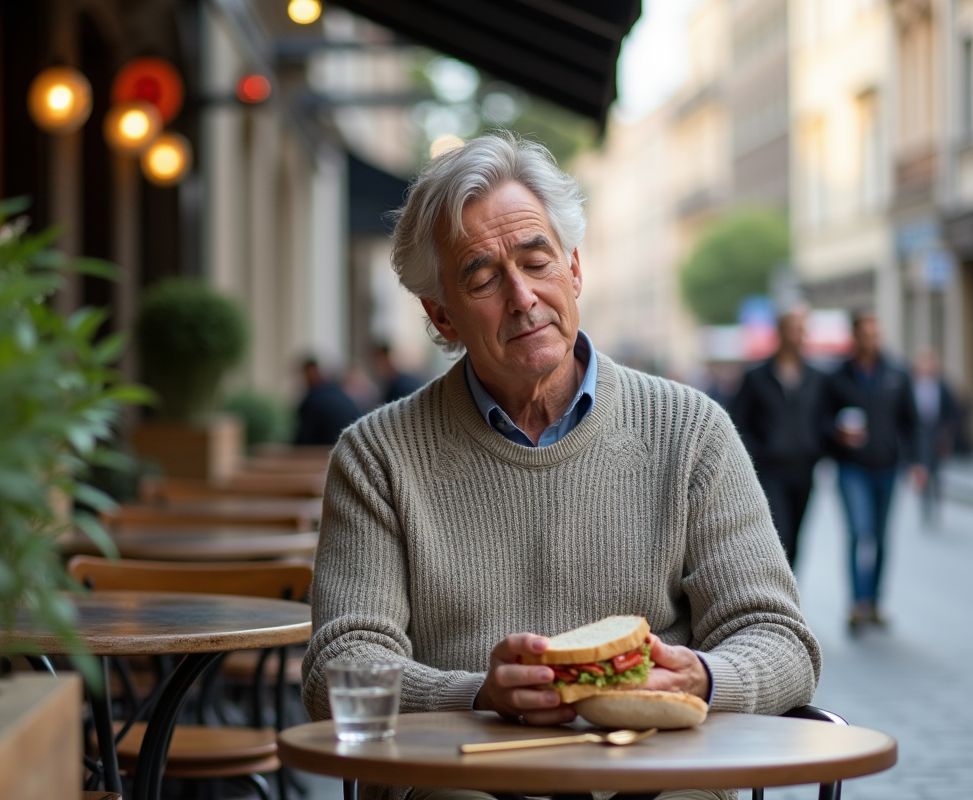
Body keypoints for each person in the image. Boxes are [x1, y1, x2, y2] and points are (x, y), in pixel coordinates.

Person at [301, 135, 820, 800]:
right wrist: (479, 695)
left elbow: (779, 639)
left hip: (653, 781)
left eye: (536, 261)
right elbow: (339, 670)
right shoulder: (378, 456)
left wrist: (703, 679)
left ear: (573, 269)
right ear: (441, 317)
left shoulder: (693, 432)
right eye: (482, 278)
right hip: (462, 780)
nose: (522, 297)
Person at [821, 312, 920, 632]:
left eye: (877, 333)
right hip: (852, 467)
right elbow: (821, 419)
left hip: (888, 467)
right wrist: (837, 433)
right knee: (858, 532)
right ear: (855, 336)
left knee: (880, 536)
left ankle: (875, 601)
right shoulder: (838, 377)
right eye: (867, 333)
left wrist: (917, 462)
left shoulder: (896, 373)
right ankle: (857, 604)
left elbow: (911, 421)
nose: (873, 339)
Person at [728, 309, 825, 569]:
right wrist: (757, 451)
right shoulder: (757, 376)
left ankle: (789, 595)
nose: (797, 335)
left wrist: (819, 444)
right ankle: (775, 594)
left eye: (801, 329)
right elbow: (737, 420)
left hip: (804, 468)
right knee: (779, 534)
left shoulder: (816, 377)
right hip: (770, 469)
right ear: (780, 332)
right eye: (792, 328)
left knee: (796, 537)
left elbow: (823, 418)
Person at [911, 347, 960, 527]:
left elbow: (953, 411)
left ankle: (936, 506)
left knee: (936, 474)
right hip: (920, 434)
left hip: (937, 436)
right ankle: (925, 507)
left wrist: (948, 433)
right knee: (923, 471)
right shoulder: (911, 383)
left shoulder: (941, 385)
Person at [293, 357, 362, 447]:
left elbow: (304, 440)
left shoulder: (313, 400)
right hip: (354, 446)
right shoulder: (338, 392)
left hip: (329, 451)